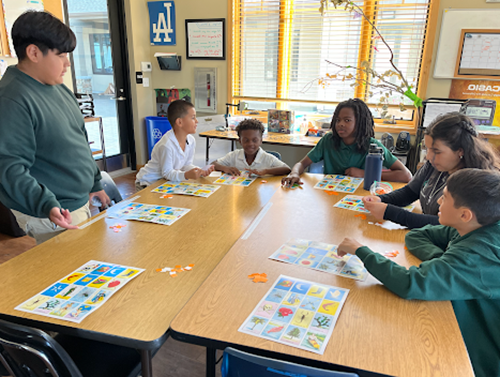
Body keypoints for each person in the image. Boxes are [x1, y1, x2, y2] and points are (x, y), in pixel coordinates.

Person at [336, 168, 500, 377]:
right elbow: (418, 236)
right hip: (464, 317)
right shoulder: (472, 225)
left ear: (465, 214)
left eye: (445, 197)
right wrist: (442, 263)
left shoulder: (478, 253)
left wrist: (361, 250)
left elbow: (411, 283)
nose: (439, 201)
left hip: (480, 356)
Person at [0, 11, 110, 244]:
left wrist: (95, 183)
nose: (67, 63)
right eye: (60, 55)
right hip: (54, 214)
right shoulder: (13, 99)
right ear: (33, 53)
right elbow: (9, 167)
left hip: (78, 202)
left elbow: (79, 139)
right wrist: (46, 204)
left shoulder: (57, 86)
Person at [363, 112, 500, 229]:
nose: (428, 157)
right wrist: (381, 199)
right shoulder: (433, 165)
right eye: (427, 149)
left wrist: (390, 213)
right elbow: (409, 192)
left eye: (437, 151)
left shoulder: (475, 182)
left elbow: (447, 226)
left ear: (460, 151)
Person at [281, 98, 411, 186]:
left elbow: (406, 175)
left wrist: (365, 174)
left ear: (360, 122)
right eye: (338, 120)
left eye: (347, 120)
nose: (340, 124)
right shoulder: (328, 140)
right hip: (330, 195)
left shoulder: (373, 145)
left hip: (361, 197)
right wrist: (294, 173)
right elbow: (301, 163)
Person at [135, 100, 213, 190]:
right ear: (179, 122)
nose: (197, 121)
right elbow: (167, 173)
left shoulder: (191, 141)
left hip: (165, 182)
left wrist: (199, 171)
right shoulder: (166, 145)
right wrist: (186, 175)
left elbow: (186, 165)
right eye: (193, 118)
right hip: (147, 184)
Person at [212, 119, 291, 176]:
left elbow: (287, 169)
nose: (250, 144)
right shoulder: (233, 155)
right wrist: (225, 168)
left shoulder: (267, 158)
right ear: (240, 141)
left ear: (261, 141)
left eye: (255, 140)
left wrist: (266, 171)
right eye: (246, 140)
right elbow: (213, 164)